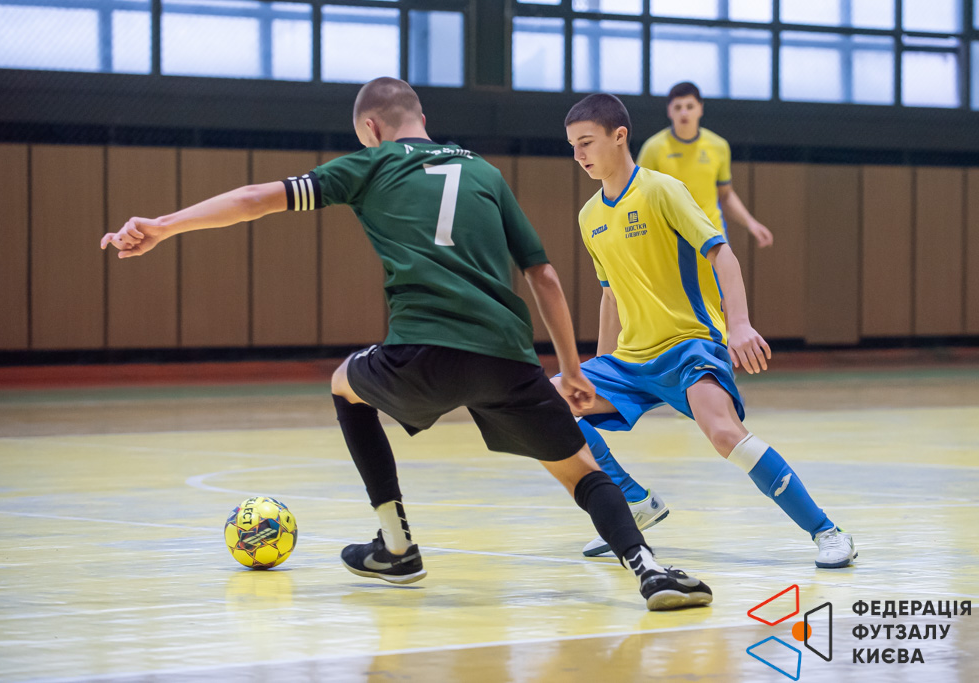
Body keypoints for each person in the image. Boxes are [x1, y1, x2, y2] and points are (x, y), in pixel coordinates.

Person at [100, 77, 713, 611]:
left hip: (423, 350)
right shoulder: (483, 171)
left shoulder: (371, 165)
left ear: (371, 129)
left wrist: (163, 225)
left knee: (344, 386)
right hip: (507, 357)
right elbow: (544, 276)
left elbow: (255, 200)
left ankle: (396, 548)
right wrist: (572, 369)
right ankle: (649, 569)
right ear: (422, 117)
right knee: (581, 472)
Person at [561, 92, 857, 569]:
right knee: (548, 405)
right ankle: (635, 502)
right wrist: (597, 366)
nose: (578, 155)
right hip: (631, 359)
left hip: (688, 346)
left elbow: (722, 254)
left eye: (586, 142)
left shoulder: (662, 190)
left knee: (724, 434)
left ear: (619, 137)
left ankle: (827, 531)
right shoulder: (588, 216)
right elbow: (610, 296)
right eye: (572, 145)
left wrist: (738, 325)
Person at [637, 81, 773, 248]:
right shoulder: (653, 148)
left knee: (727, 266)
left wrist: (751, 223)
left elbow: (725, 195)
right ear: (669, 111)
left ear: (700, 109)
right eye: (678, 107)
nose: (684, 112)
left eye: (689, 106)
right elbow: (639, 196)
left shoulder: (718, 146)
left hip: (711, 234)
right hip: (669, 237)